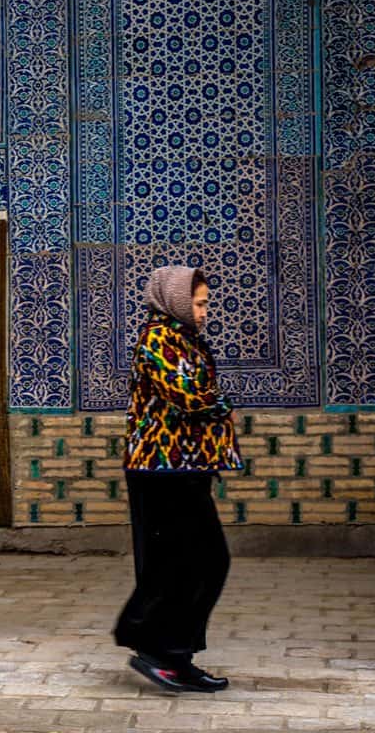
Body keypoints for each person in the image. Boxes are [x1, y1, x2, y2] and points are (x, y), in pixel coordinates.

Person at [112, 265, 243, 693]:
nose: (205, 312)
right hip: (161, 468)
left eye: (205, 304)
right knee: (197, 560)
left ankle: (170, 652)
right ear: (176, 300)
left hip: (182, 466)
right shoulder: (157, 338)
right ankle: (158, 648)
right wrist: (223, 405)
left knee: (191, 561)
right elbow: (187, 395)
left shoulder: (181, 338)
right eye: (200, 303)